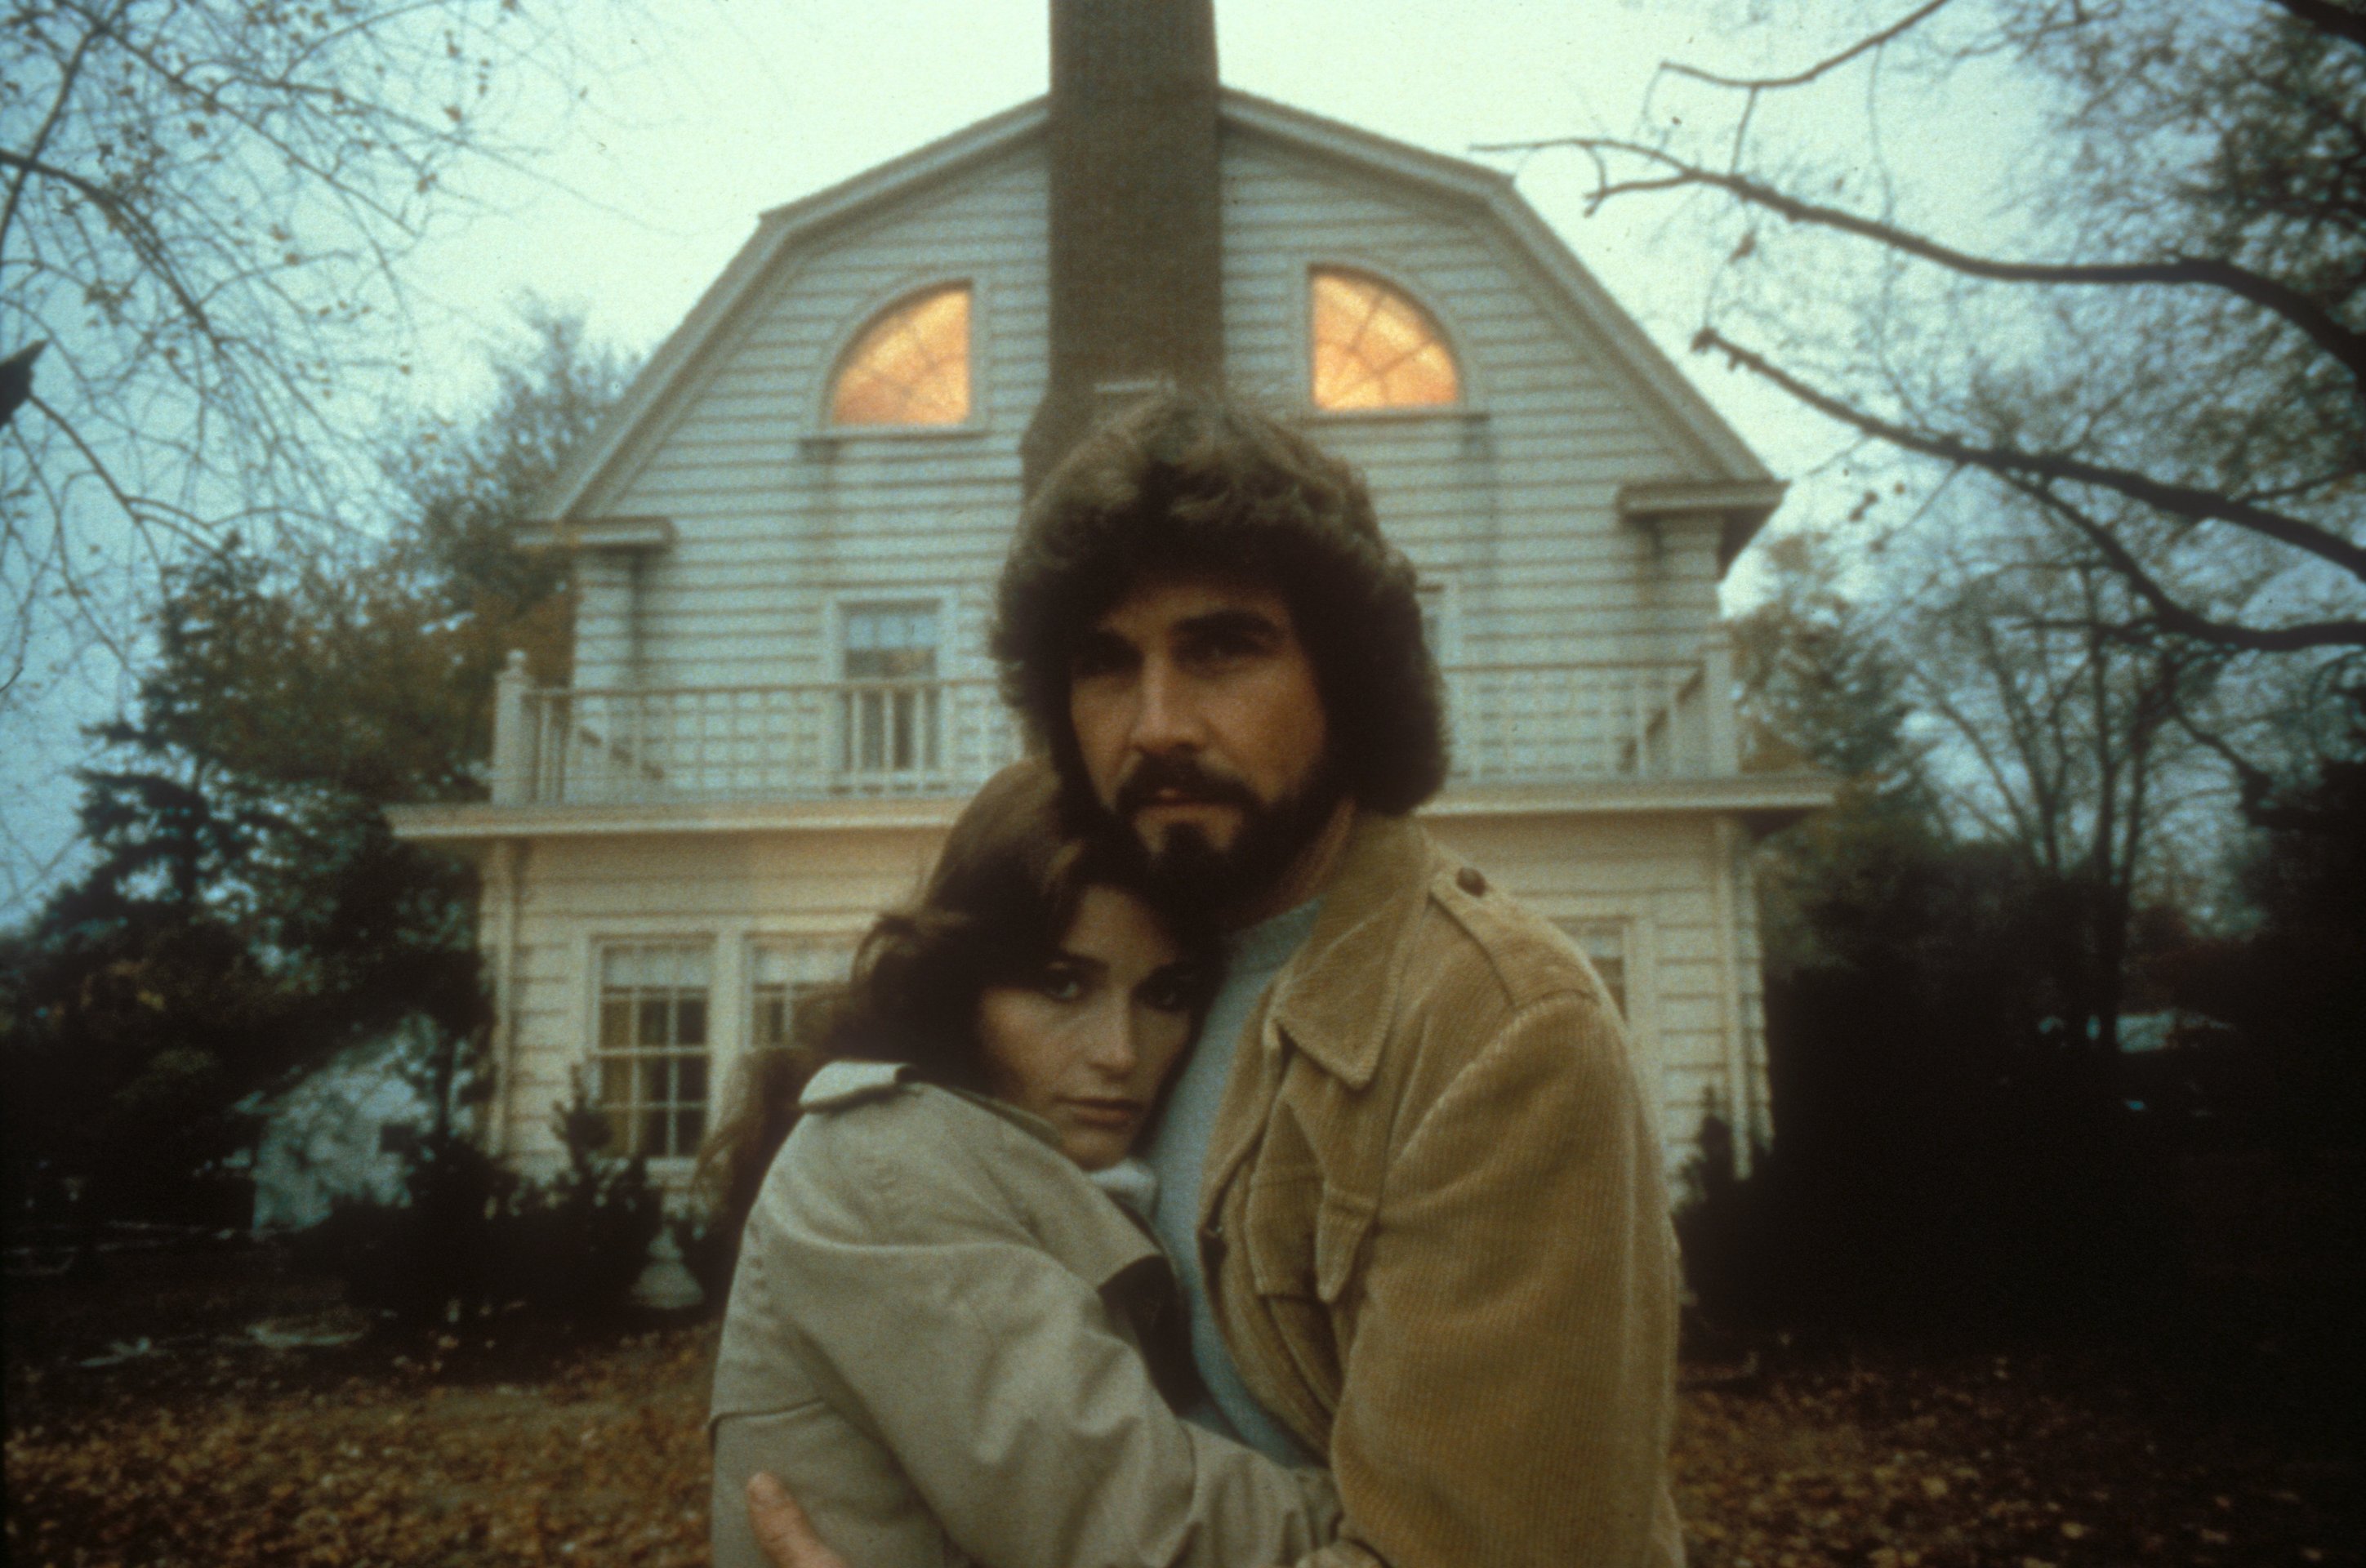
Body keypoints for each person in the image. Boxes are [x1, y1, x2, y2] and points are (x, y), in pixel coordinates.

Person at [749, 392, 1685, 1568]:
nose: (1156, 725)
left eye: (1222, 648)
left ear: (1345, 677)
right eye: (1104, 664)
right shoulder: (1126, 980)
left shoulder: (1493, 1033)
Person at [705, 759, 1343, 1568]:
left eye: (1164, 994)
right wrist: (1433, 1516)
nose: (1121, 1053)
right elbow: (1142, 1532)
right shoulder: (884, 1163)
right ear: (960, 988)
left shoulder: (1011, 1154)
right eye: (1060, 984)